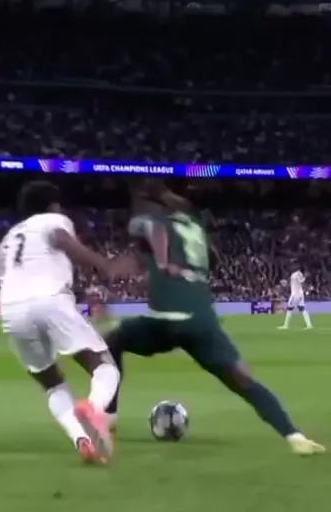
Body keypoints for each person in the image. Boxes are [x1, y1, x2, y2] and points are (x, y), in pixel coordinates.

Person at [104, 179, 324, 455]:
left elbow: (153, 230)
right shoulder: (193, 225)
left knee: (111, 341)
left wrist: (158, 262)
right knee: (242, 379)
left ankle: (109, 417)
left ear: (145, 199)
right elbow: (213, 258)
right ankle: (294, 436)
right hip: (201, 318)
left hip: (167, 316)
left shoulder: (149, 218)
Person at [0, 180, 132, 464]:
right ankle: (94, 408)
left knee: (52, 384)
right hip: (49, 300)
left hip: (11, 310)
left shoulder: (8, 238)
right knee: (105, 366)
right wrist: (105, 265)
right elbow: (60, 238)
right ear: (53, 205)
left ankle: (81, 439)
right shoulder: (53, 220)